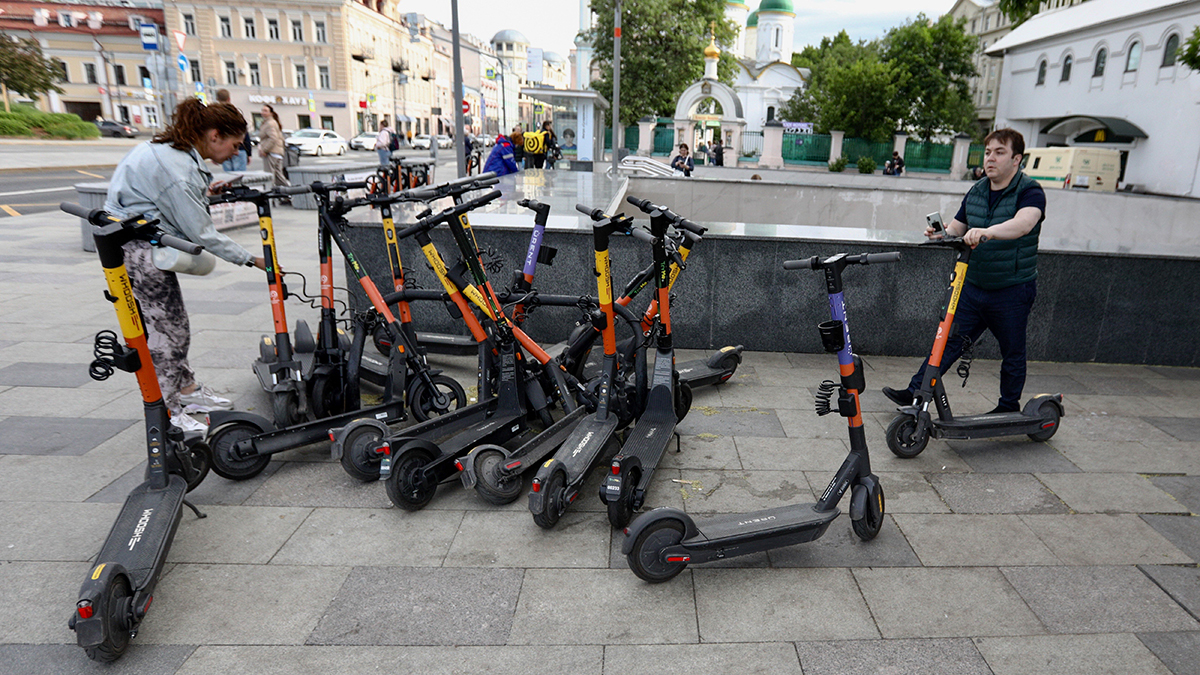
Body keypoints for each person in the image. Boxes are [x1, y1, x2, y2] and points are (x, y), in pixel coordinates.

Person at [104, 98, 269, 433]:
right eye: (235, 145)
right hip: (139, 249)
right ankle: (166, 412)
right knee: (169, 333)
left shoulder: (167, 150)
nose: (235, 153)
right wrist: (252, 259)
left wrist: (204, 190)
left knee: (172, 324)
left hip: (129, 241)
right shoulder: (178, 171)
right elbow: (201, 232)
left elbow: (165, 197)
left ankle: (188, 390)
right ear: (214, 135)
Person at [882, 128, 1046, 415]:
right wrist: (940, 233)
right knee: (947, 341)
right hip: (972, 286)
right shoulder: (978, 190)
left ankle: (1008, 407)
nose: (990, 158)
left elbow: (1024, 224)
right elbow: (958, 227)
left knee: (1012, 352)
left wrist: (988, 232)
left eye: (999, 152)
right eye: (987, 152)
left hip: (1011, 289)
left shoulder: (1030, 191)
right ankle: (915, 392)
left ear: (1016, 159)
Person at [215, 89, 251, 172]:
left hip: (223, 149)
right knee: (239, 177)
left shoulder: (216, 115)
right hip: (239, 149)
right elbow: (244, 132)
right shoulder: (234, 113)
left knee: (229, 178)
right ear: (229, 99)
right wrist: (248, 152)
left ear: (217, 99)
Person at [258, 104, 289, 189]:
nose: (263, 112)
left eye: (265, 111)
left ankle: (272, 194)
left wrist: (264, 150)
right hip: (276, 152)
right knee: (278, 176)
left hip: (272, 153)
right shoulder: (270, 122)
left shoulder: (270, 123)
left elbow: (273, 138)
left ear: (271, 113)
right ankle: (289, 193)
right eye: (262, 110)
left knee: (270, 176)